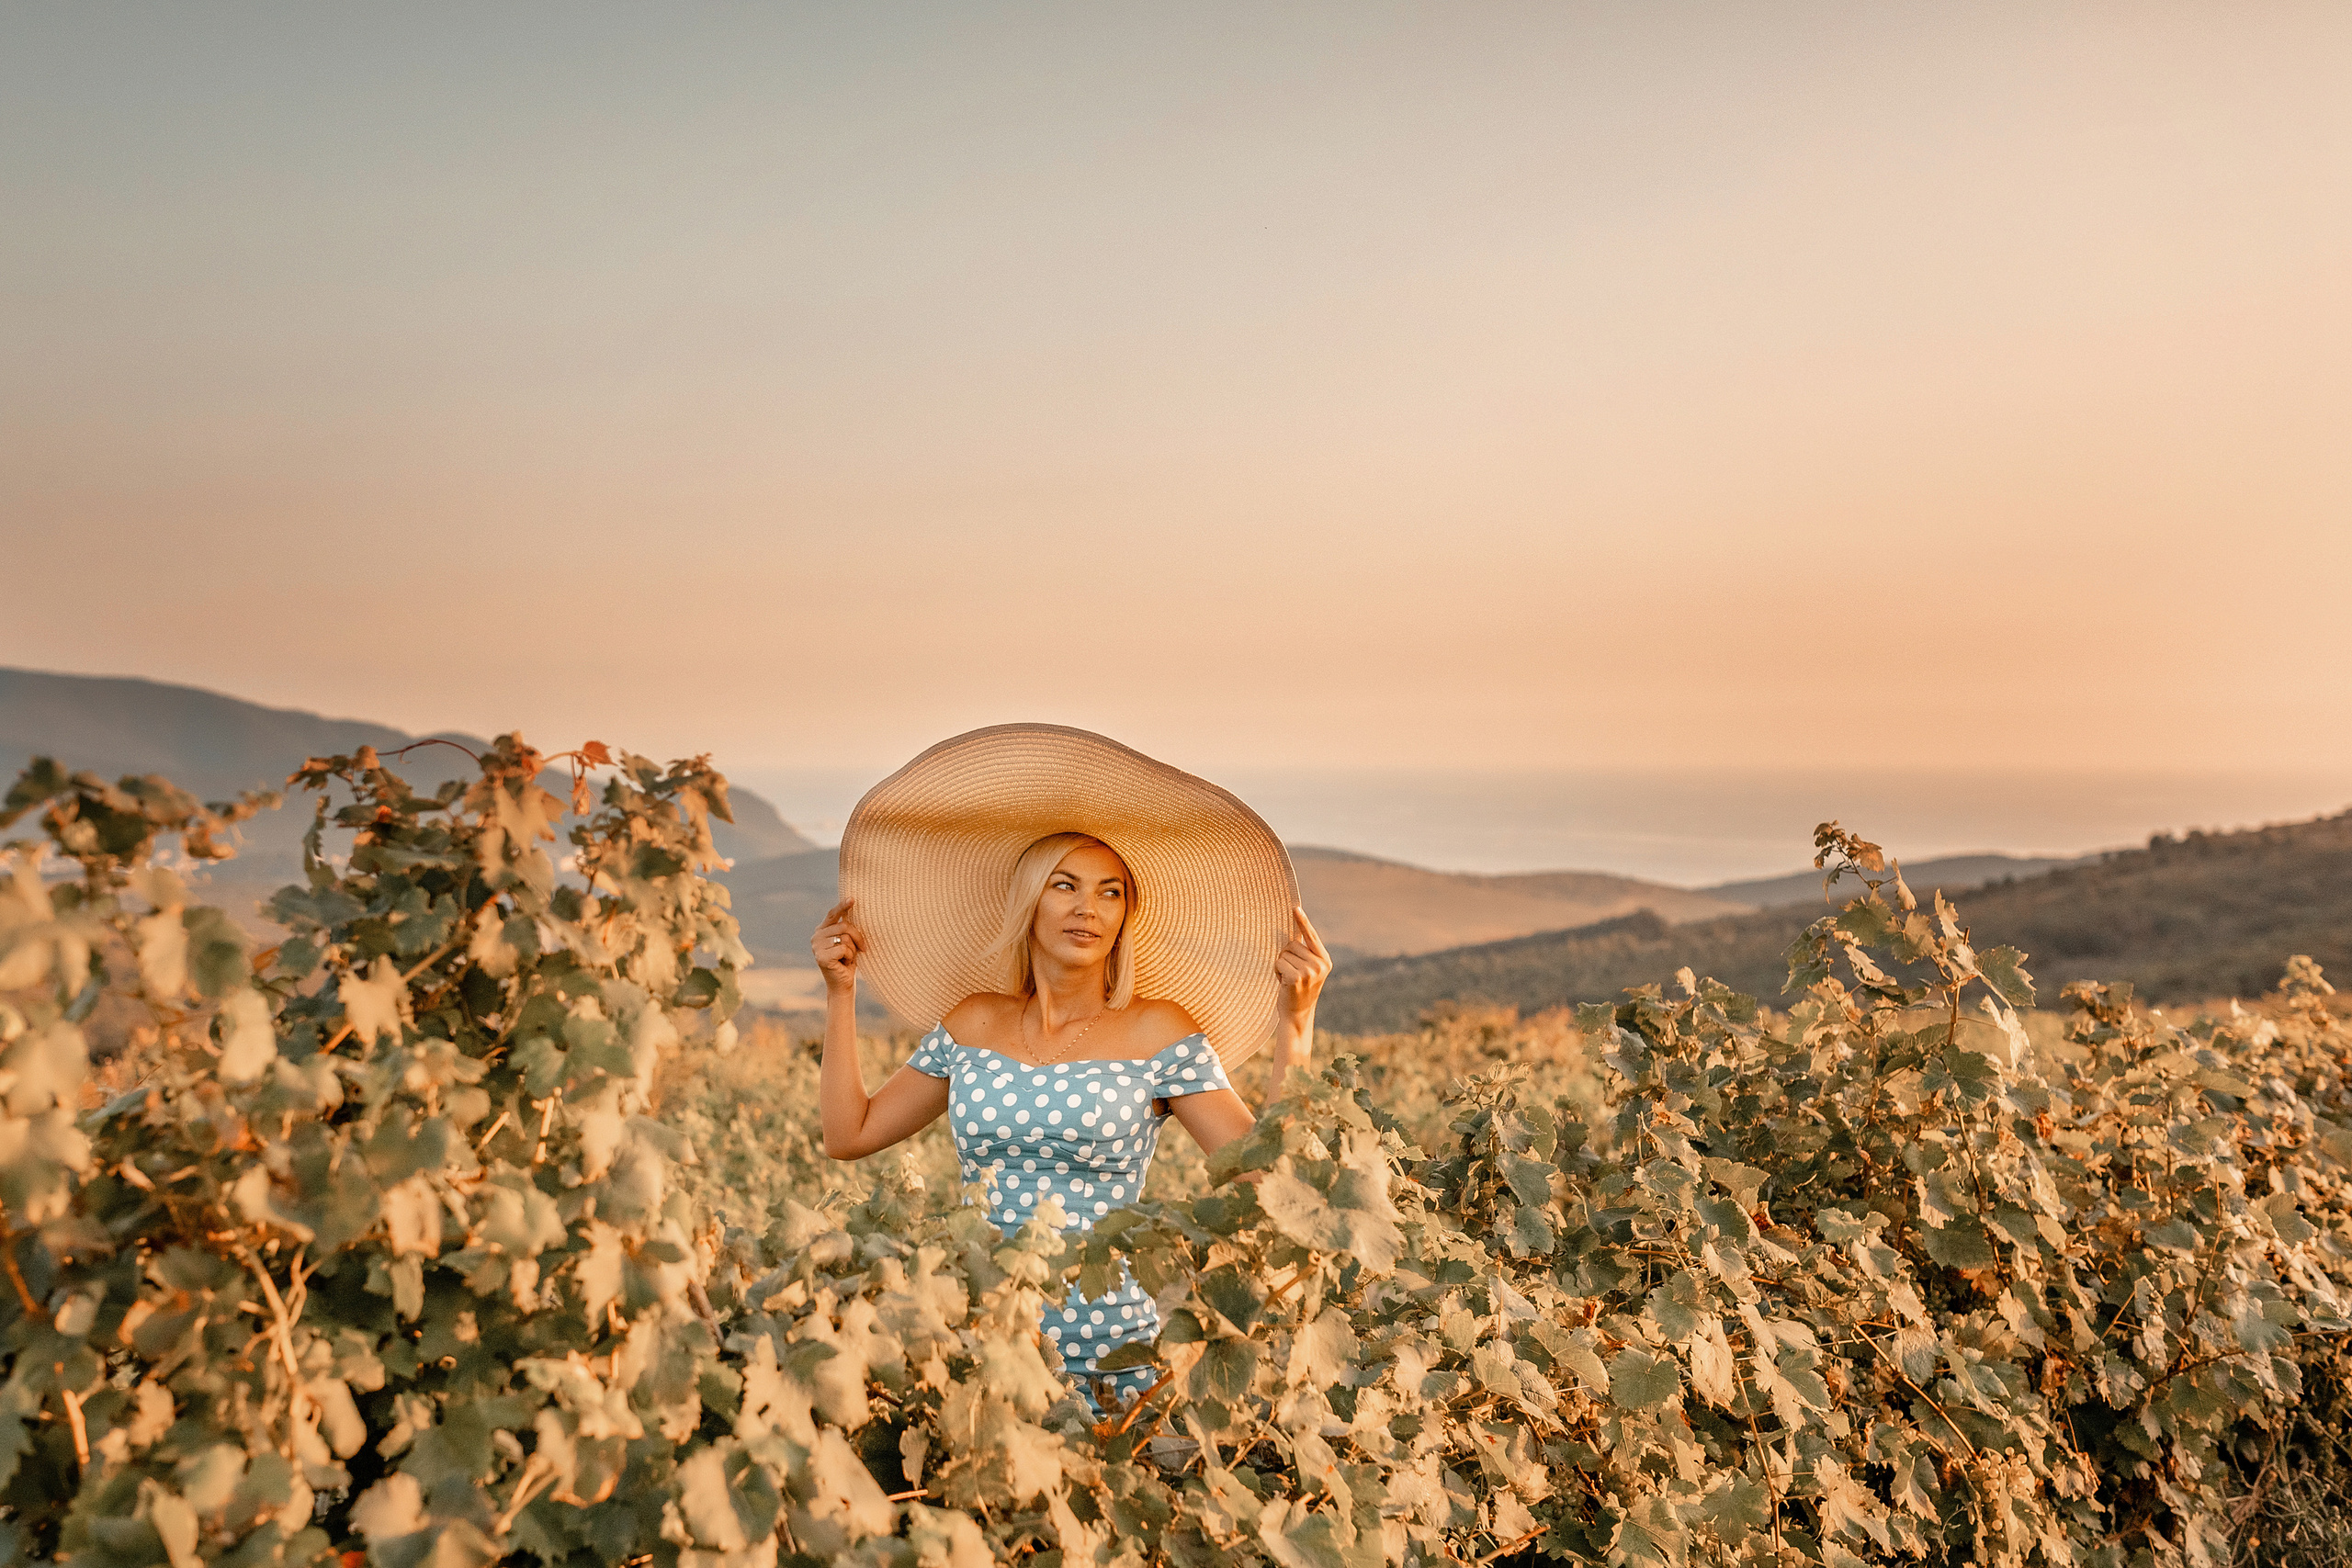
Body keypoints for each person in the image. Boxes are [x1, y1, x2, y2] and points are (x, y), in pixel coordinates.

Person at [805, 724, 1332, 1416]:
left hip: (1111, 1356)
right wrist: (839, 993)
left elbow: (1267, 1178)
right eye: (1066, 885)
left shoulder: (1159, 1030)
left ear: (1124, 917)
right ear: (1031, 902)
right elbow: (850, 1131)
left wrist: (1295, 1024)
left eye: (1110, 892)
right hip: (981, 1347)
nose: (1088, 907)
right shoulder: (973, 1021)